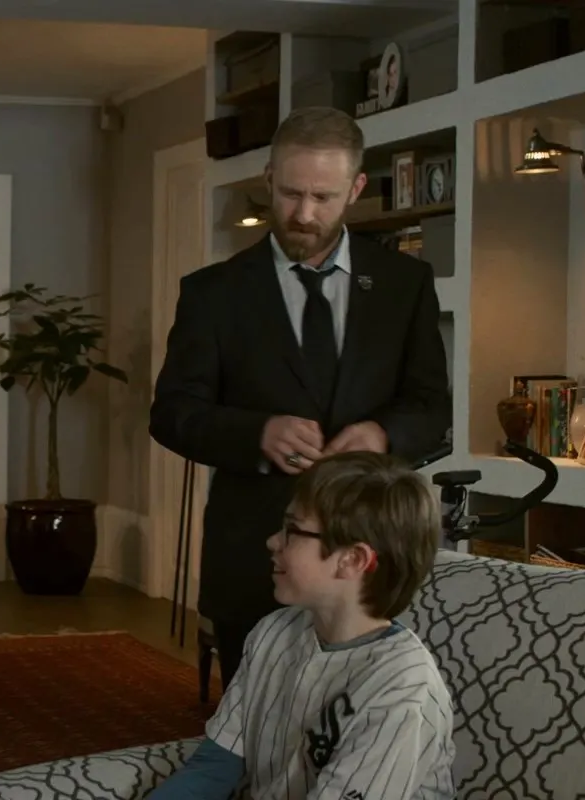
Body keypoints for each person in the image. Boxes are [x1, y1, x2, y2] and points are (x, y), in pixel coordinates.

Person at [150, 106, 451, 686]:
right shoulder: (213, 293)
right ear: (268, 179)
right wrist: (256, 434)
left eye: (323, 197)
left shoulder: (405, 284)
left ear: (355, 189)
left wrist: (382, 435)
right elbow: (172, 413)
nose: (304, 214)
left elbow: (432, 404)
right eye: (290, 194)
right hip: (254, 558)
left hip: (372, 558)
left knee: (362, 719)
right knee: (253, 724)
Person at [148, 451, 455, 800]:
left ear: (352, 559)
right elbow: (216, 766)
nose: (272, 541)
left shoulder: (403, 688)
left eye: (292, 530)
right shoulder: (274, 631)